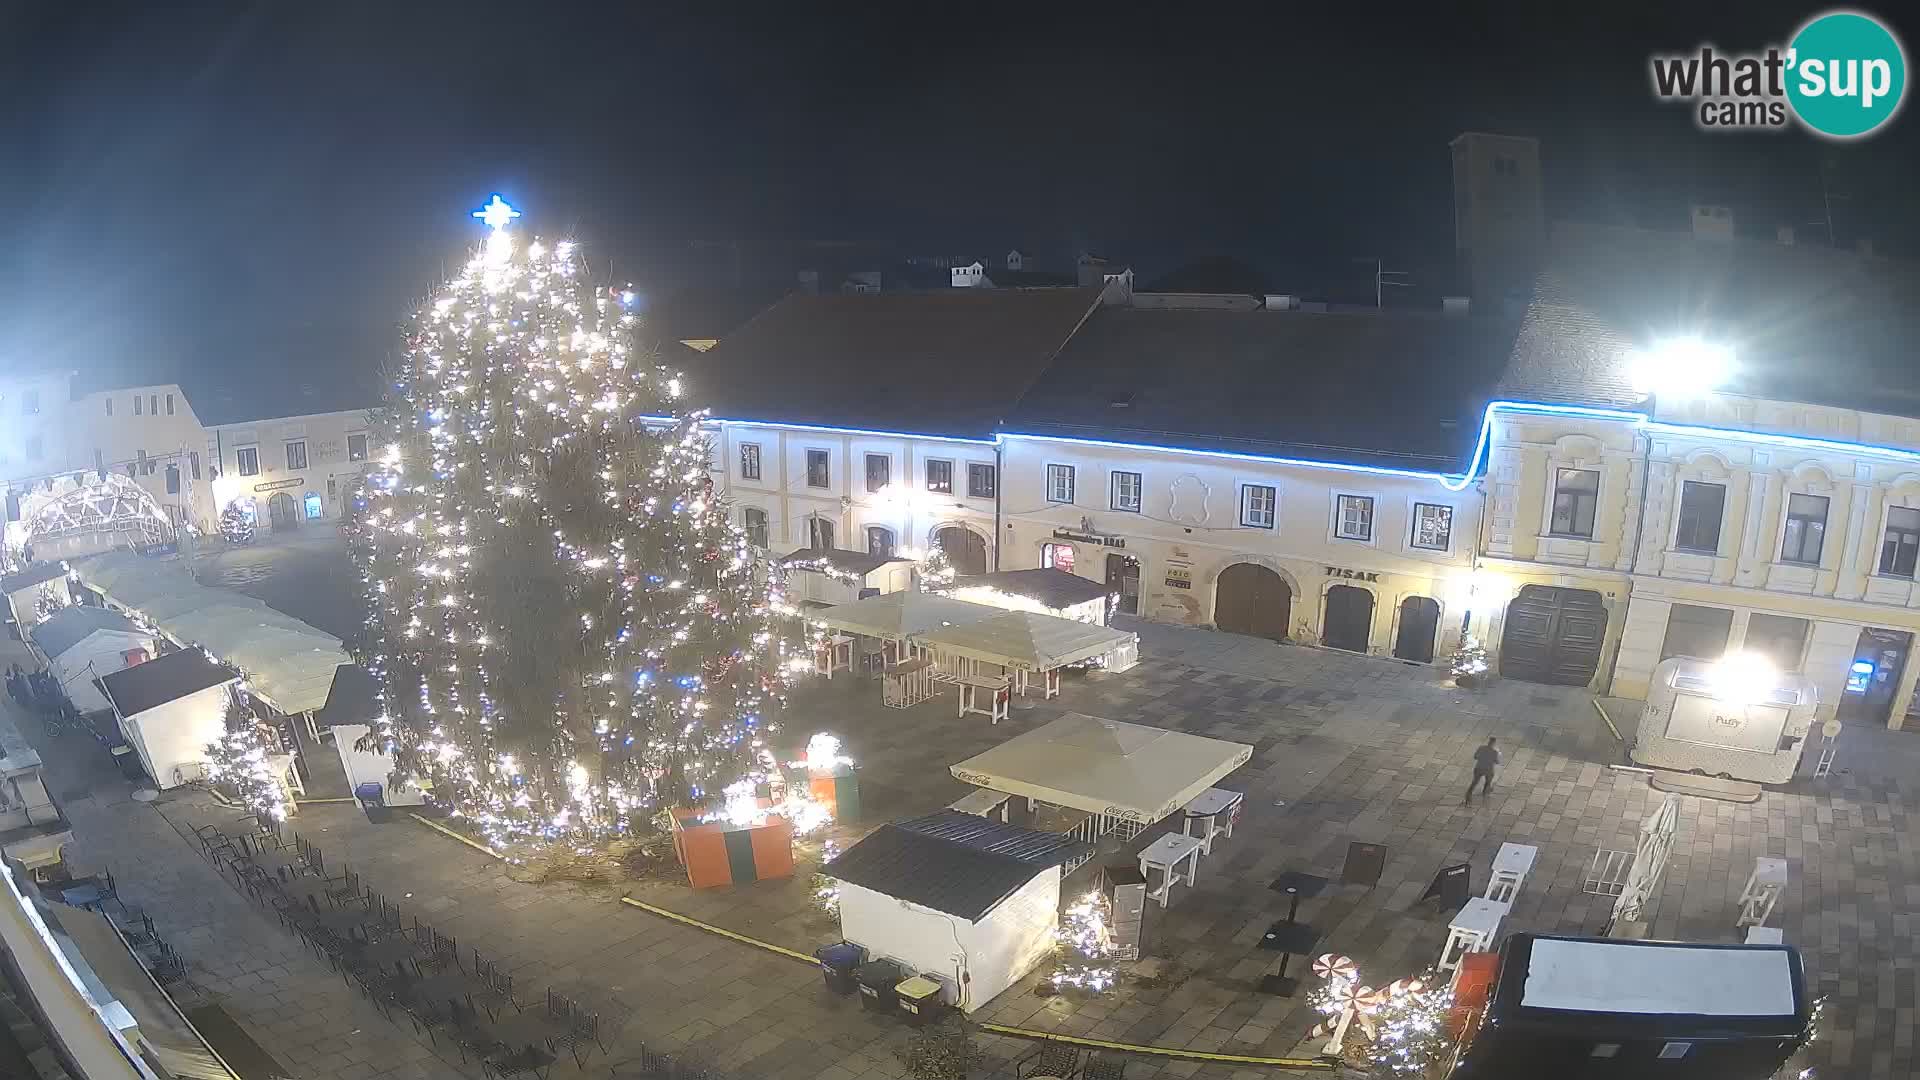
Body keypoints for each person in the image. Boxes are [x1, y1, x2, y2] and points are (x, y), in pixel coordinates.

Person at [1465, 736, 1501, 802]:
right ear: (1494, 743)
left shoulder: (1481, 748)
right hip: (1488, 769)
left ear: (1488, 742)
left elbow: (1475, 757)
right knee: (1488, 780)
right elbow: (1497, 762)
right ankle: (1485, 791)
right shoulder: (1495, 752)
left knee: (1475, 782)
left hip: (1478, 768)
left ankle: (1469, 793)